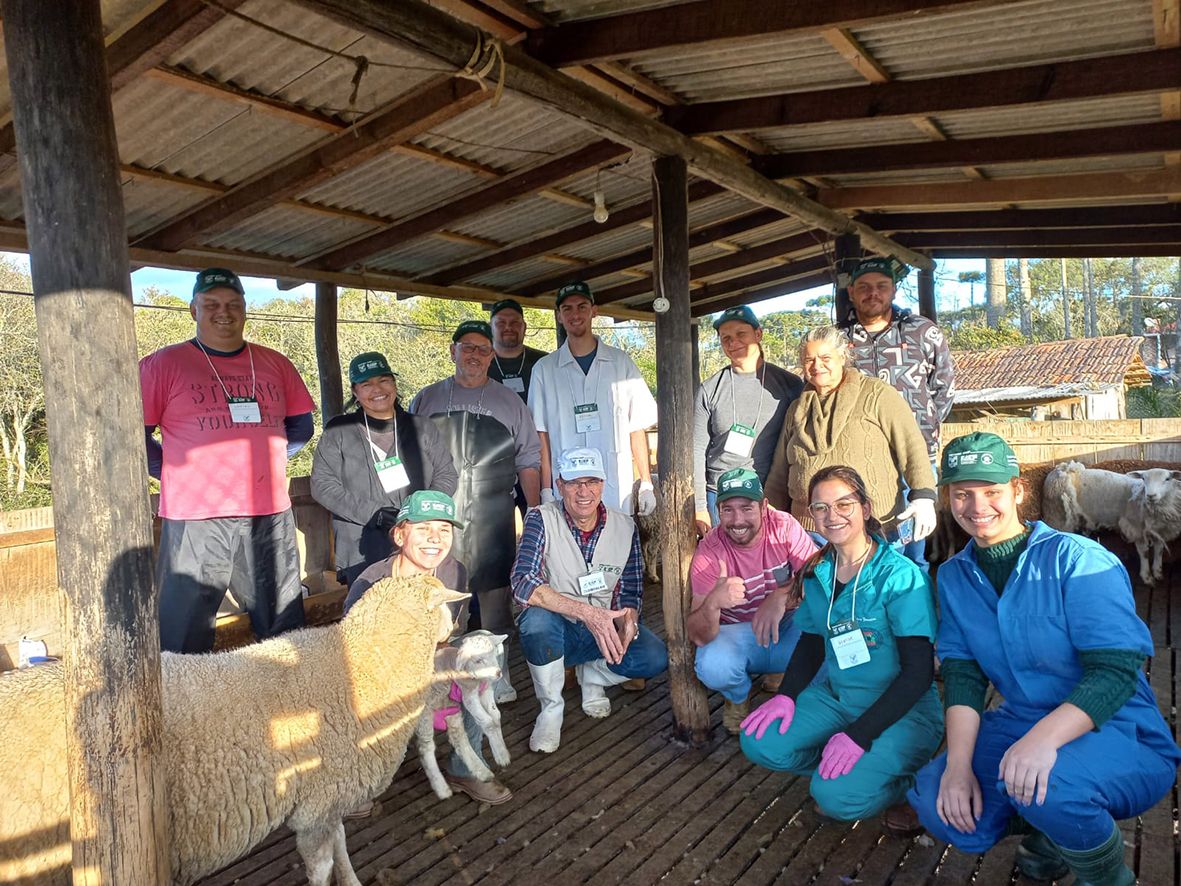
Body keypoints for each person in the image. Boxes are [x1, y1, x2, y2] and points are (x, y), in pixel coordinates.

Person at [908, 432, 1180, 885]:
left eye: (992, 492)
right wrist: (958, 769)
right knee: (937, 798)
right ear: (948, 499)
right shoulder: (954, 576)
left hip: (1119, 728)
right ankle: (1054, 830)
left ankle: (1109, 876)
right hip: (1022, 720)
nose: (977, 507)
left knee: (1051, 786)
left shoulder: (1078, 560)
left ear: (1017, 491)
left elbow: (1115, 670)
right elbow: (962, 673)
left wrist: (1042, 742)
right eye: (962, 494)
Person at [740, 465, 943, 833]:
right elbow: (813, 640)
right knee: (760, 741)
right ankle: (849, 765)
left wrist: (859, 735)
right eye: (820, 507)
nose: (832, 516)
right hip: (840, 698)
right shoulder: (819, 572)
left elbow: (919, 673)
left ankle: (912, 788)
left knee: (836, 797)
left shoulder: (898, 575)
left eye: (843, 504)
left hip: (905, 710)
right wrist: (786, 695)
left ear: (865, 508)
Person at [140, 267, 315, 653]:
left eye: (234, 304)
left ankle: (284, 703)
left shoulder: (275, 363)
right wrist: (170, 471)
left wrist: (269, 463)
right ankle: (184, 708)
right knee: (183, 630)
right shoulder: (163, 365)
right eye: (212, 304)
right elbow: (134, 436)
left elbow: (301, 428)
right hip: (195, 516)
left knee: (284, 622)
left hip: (268, 512)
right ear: (193, 310)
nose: (224, 312)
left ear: (245, 309)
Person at [344, 490, 512, 806]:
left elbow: (449, 634)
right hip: (382, 678)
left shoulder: (454, 571)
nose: (434, 539)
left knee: (484, 647)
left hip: (429, 664)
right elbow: (353, 654)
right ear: (399, 534)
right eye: (423, 529)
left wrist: (452, 667)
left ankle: (464, 767)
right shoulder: (370, 582)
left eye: (444, 530)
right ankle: (356, 775)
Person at [410, 319, 541, 703]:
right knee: (442, 600)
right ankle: (444, 680)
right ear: (453, 351)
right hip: (439, 517)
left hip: (494, 512)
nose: (475, 355)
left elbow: (529, 459)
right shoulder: (427, 399)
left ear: (492, 355)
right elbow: (410, 455)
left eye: (483, 349)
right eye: (467, 347)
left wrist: (533, 510)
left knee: (494, 601)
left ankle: (496, 675)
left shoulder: (510, 402)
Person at [512, 447, 668, 753]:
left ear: (603, 483)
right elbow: (523, 583)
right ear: (559, 485)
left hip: (604, 629)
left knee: (655, 656)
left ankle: (592, 675)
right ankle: (551, 709)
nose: (584, 492)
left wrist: (629, 621)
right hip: (562, 630)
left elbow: (630, 588)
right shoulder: (540, 519)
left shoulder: (625, 525)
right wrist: (586, 613)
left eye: (591, 481)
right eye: (574, 483)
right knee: (535, 622)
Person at [764, 325, 937, 547]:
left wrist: (923, 496)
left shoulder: (877, 394)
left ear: (843, 355)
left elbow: (912, 446)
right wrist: (770, 515)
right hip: (809, 534)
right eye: (809, 360)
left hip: (874, 526)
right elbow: (780, 471)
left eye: (825, 357)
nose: (817, 366)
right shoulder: (796, 410)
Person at [839, 256, 955, 570]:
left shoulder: (922, 332)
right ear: (851, 292)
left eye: (880, 286)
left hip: (916, 459)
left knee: (914, 548)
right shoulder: (840, 341)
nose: (872, 293)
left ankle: (914, 611)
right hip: (861, 460)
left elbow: (943, 389)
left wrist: (919, 430)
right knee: (867, 547)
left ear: (893, 289)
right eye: (863, 287)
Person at [310, 352, 457, 587]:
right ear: (355, 392)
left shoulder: (421, 427)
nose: (377, 389)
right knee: (367, 610)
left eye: (383, 380)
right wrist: (374, 513)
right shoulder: (339, 430)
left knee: (420, 608)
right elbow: (322, 486)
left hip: (418, 536)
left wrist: (420, 512)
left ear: (394, 384)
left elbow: (447, 474)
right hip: (361, 541)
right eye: (366, 384)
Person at [687, 468, 817, 733]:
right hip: (737, 633)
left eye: (747, 508)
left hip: (787, 624)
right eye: (727, 510)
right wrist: (713, 603)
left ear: (764, 507)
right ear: (717, 510)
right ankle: (738, 696)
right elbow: (697, 635)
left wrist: (781, 595)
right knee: (712, 666)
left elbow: (818, 577)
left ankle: (795, 687)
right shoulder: (709, 551)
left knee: (833, 648)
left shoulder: (784, 526)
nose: (737, 520)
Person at [528, 281, 658, 516]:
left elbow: (636, 427)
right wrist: (546, 488)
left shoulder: (621, 363)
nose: (575, 314)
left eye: (581, 306)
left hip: (613, 483)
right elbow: (542, 435)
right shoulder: (544, 369)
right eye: (567, 309)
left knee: (616, 546)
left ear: (594, 311)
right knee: (568, 548)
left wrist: (646, 483)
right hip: (566, 482)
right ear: (558, 316)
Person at [694, 305, 803, 537]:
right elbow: (696, 449)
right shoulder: (710, 389)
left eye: (740, 334)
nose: (733, 343)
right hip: (720, 494)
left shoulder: (790, 385)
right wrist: (700, 507)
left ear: (758, 334)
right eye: (726, 338)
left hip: (769, 493)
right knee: (725, 566)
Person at [487, 298, 548, 401]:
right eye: (501, 323)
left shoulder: (545, 362)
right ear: (490, 328)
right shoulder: (479, 364)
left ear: (524, 327)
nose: (508, 327)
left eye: (515, 322)